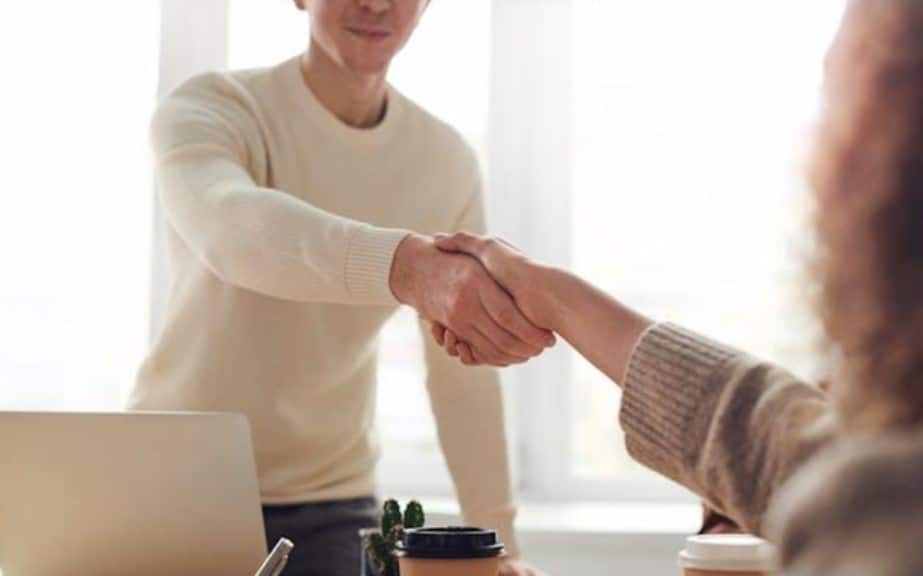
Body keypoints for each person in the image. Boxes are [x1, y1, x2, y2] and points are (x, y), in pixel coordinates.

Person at [431, 0, 923, 573]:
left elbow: (828, 475)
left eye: (839, 115)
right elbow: (791, 448)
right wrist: (560, 299)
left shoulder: (883, 513)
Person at [129, 0, 552, 574]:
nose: (376, 3)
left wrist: (502, 546)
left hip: (331, 503)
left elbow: (460, 376)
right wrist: (407, 267)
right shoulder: (212, 108)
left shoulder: (443, 161)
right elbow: (230, 229)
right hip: (172, 484)